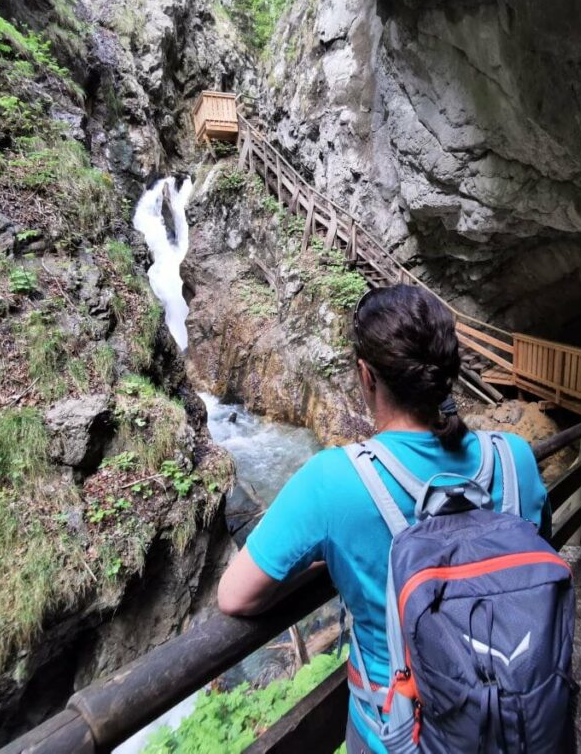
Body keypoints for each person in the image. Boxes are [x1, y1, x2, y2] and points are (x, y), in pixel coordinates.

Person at [218, 285, 549, 753]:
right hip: (520, 724)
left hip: (400, 733)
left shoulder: (333, 481)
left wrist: (328, 560)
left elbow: (234, 596)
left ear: (365, 375)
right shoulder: (515, 459)